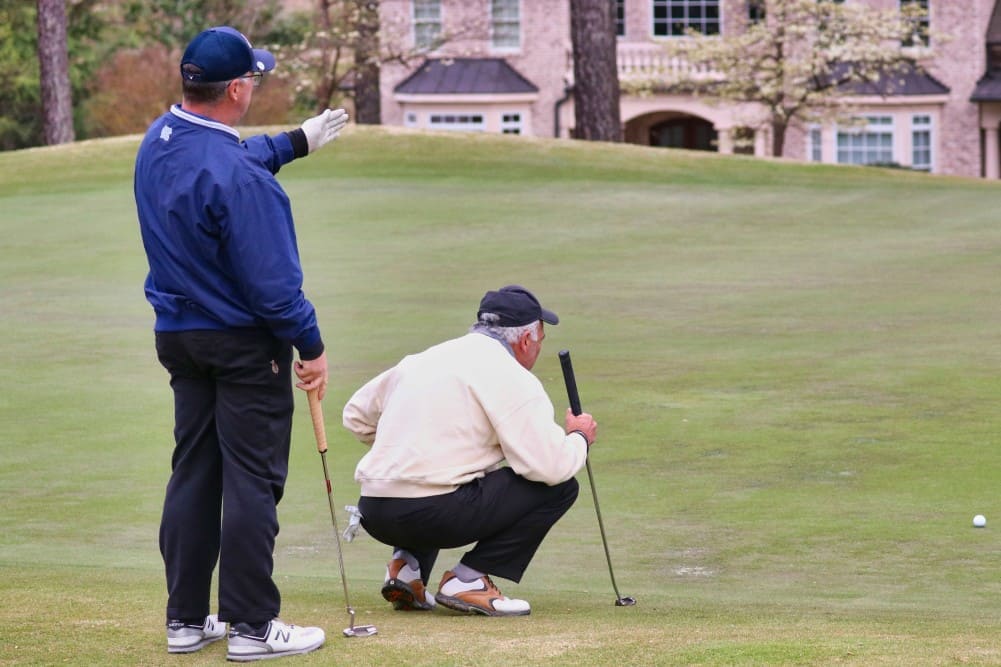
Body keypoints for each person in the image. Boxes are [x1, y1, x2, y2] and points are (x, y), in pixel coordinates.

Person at [134, 26, 349, 661]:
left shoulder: (159, 140)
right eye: (253, 79)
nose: (255, 86)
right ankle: (254, 627)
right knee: (252, 480)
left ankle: (186, 620)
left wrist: (295, 142)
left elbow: (223, 166)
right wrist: (311, 348)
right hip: (242, 345)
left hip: (179, 338)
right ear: (234, 88)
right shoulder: (243, 182)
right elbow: (278, 293)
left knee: (195, 472)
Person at [342, 285, 598, 616]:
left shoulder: (424, 358)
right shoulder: (513, 377)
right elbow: (551, 467)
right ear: (525, 341)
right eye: (540, 341)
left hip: (375, 512)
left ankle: (405, 568)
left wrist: (411, 441)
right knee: (560, 488)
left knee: (442, 473)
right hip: (434, 515)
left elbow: (356, 415)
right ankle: (469, 580)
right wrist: (579, 437)